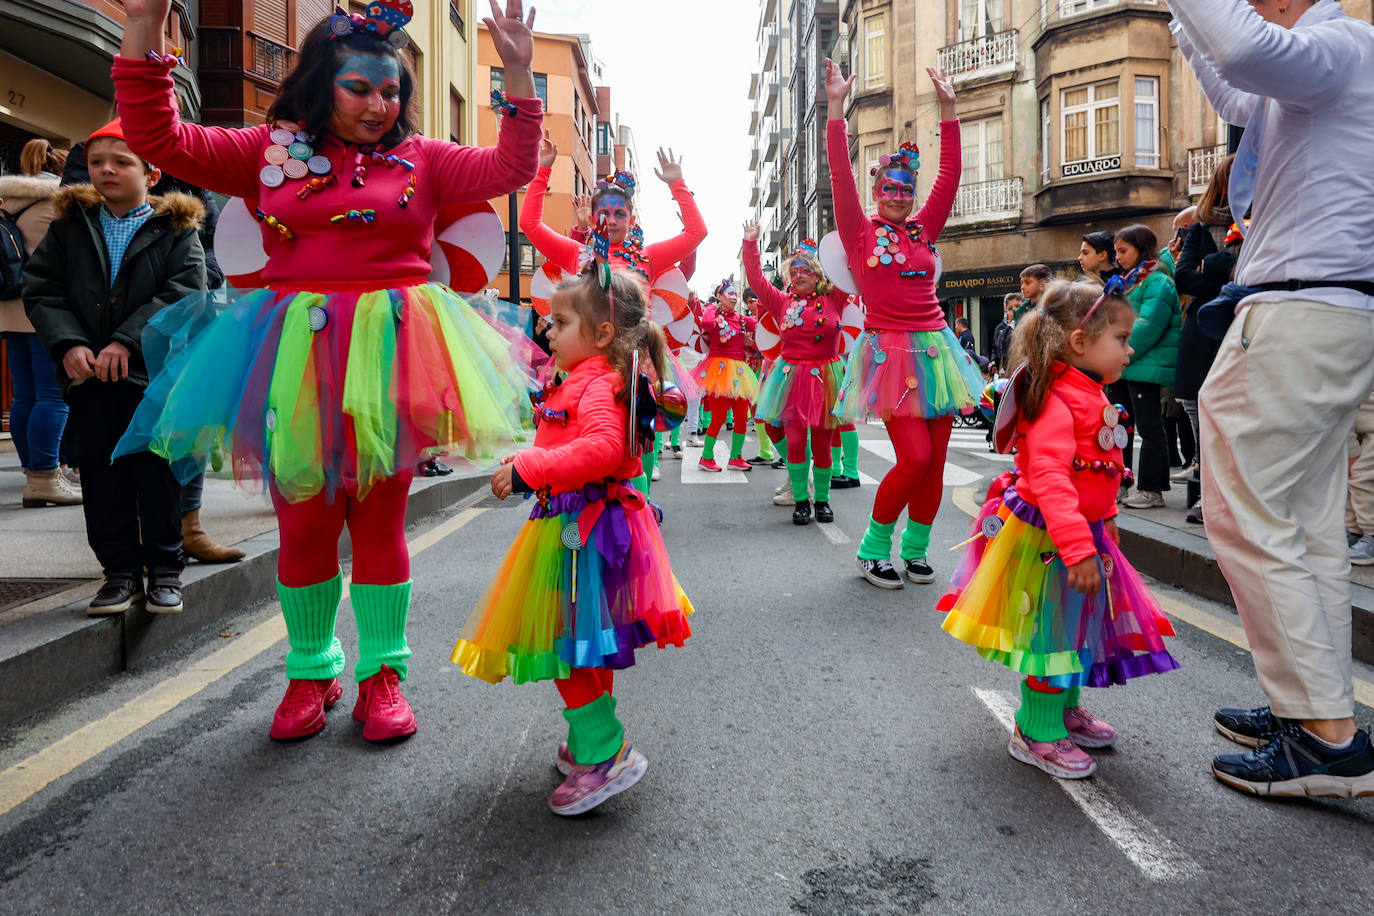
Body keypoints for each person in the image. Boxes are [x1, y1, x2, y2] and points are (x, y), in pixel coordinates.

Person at [110, 0, 543, 742]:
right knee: (305, 523)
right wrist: (146, 31)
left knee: (379, 522)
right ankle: (311, 672)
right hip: (290, 362)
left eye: (393, 90)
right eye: (360, 88)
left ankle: (383, 677)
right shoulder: (266, 149)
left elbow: (513, 167)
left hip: (394, 357)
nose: (381, 104)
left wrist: (515, 71)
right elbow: (159, 137)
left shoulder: (427, 159)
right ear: (321, 83)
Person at [1174, 0, 1374, 797]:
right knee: (1306, 527)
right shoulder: (1322, 68)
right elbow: (1236, 88)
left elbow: (1244, 50)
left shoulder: (1339, 46)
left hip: (1297, 310)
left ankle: (1322, 734)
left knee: (1247, 517)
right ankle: (1319, 714)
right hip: (1328, 313)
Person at [451, 264, 693, 815]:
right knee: (587, 638)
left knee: (564, 640)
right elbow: (577, 441)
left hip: (582, 528)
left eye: (559, 323)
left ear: (602, 334)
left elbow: (606, 448)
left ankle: (606, 751)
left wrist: (534, 465)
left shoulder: (599, 380)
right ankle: (590, 742)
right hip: (582, 521)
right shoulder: (590, 375)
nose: (549, 333)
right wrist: (532, 458)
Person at [938, 280, 1179, 778]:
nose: (1130, 349)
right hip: (1050, 540)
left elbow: (1101, 469)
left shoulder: (1088, 392)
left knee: (1076, 630)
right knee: (1051, 634)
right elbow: (1050, 478)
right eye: (1122, 337)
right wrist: (1077, 548)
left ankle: (1062, 710)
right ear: (1079, 343)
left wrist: (1106, 526)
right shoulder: (1057, 400)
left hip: (1079, 534)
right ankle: (1036, 727)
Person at [24, 119, 204, 616]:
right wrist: (68, 345)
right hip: (89, 379)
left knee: (159, 473)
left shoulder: (177, 232)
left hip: (154, 380)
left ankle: (165, 569)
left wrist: (128, 340)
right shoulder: (68, 230)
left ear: (151, 173)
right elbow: (43, 290)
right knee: (103, 477)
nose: (107, 171)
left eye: (122, 162)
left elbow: (185, 292)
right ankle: (119, 572)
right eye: (99, 162)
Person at [825, 59, 983, 589]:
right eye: (889, 186)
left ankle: (914, 550)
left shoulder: (923, 229)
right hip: (889, 354)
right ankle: (872, 550)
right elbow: (839, 175)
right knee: (913, 456)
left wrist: (949, 109)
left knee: (935, 462)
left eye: (905, 188)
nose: (898, 193)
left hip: (938, 352)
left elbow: (952, 175)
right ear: (877, 192)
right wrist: (835, 110)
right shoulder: (859, 234)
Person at [743, 227, 847, 525]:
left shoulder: (835, 298)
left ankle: (823, 501)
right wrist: (751, 243)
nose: (799, 275)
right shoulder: (781, 302)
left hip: (826, 376)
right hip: (790, 377)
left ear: (818, 274)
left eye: (806, 270)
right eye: (794, 271)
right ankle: (801, 500)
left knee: (823, 446)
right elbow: (756, 280)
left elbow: (849, 266)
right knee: (797, 442)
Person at [1, 138, 80, 508]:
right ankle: (46, 475)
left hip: (8, 309)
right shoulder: (56, 203)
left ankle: (34, 471)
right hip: (45, 310)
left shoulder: (7, 202)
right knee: (54, 394)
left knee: (25, 395)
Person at [1173, 155, 1235, 524]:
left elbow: (1252, 273)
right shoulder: (1201, 228)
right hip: (1203, 331)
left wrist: (1209, 267)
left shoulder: (1266, 221)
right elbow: (1184, 278)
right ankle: (1207, 495)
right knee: (1199, 409)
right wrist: (1225, 268)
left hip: (1241, 328)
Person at [1113, 224, 1180, 510]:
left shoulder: (1158, 282)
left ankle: (1152, 489)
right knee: (1119, 427)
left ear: (1141, 248)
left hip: (1142, 364)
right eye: (1116, 251)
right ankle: (1119, 482)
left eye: (1123, 250)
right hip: (1126, 363)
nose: (1118, 257)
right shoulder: (1132, 280)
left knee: (1150, 428)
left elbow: (1148, 325)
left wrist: (1118, 351)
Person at [692, 278, 759, 471]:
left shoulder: (740, 319)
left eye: (735, 293)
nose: (734, 296)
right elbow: (706, 324)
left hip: (739, 372)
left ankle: (735, 458)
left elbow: (759, 325)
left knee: (740, 415)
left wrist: (759, 306)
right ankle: (706, 458)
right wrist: (712, 306)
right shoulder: (713, 314)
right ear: (720, 296)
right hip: (718, 372)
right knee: (719, 417)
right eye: (728, 293)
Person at [989, 293, 1019, 373]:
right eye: (1010, 308)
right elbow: (995, 349)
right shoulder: (1000, 328)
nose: (1014, 311)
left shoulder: (1024, 326)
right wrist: (993, 362)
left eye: (1017, 307)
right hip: (1003, 373)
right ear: (1005, 308)